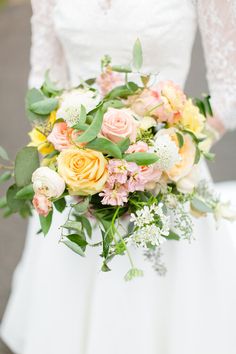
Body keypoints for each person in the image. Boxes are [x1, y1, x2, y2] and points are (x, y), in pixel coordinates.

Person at [1, 1, 236, 353]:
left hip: (170, 173)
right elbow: (43, 81)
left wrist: (167, 156)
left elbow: (229, 90)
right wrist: (70, 150)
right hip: (76, 176)